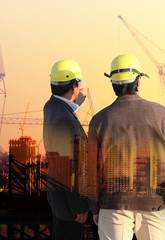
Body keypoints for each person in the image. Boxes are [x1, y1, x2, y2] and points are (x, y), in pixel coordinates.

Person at [87, 54, 165, 240]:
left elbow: (91, 171)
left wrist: (94, 207)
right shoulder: (160, 114)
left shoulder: (98, 121)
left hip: (113, 205)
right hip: (155, 203)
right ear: (138, 81)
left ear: (113, 84)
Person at [43, 59, 90, 240]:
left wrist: (78, 99)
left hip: (58, 197)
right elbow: (68, 167)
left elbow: (63, 107)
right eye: (78, 84)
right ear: (74, 84)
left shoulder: (51, 107)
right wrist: (79, 206)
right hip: (69, 205)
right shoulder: (65, 120)